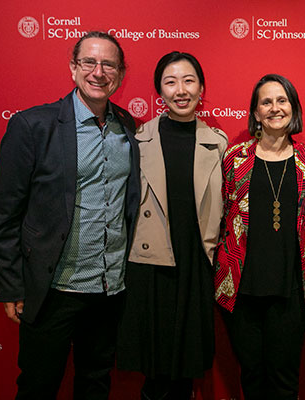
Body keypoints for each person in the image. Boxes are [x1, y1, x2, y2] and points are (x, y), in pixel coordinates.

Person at [0, 31, 140, 400]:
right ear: (73, 68)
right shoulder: (32, 126)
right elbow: (6, 215)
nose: (98, 72)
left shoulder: (128, 128)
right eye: (89, 62)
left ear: (120, 73)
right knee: (38, 386)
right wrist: (12, 284)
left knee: (95, 384)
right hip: (53, 290)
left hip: (108, 290)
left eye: (108, 64)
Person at [116, 51, 228, 400]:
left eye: (188, 80)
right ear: (159, 93)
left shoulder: (220, 144)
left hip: (195, 263)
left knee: (186, 369)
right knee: (156, 370)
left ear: (201, 87)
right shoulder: (136, 141)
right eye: (170, 81)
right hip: (151, 266)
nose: (181, 89)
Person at [214, 74, 305, 400]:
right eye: (266, 102)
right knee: (253, 377)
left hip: (291, 288)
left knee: (284, 380)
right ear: (256, 112)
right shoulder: (236, 157)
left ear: (293, 108)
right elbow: (220, 216)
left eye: (282, 100)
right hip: (241, 287)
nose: (275, 108)